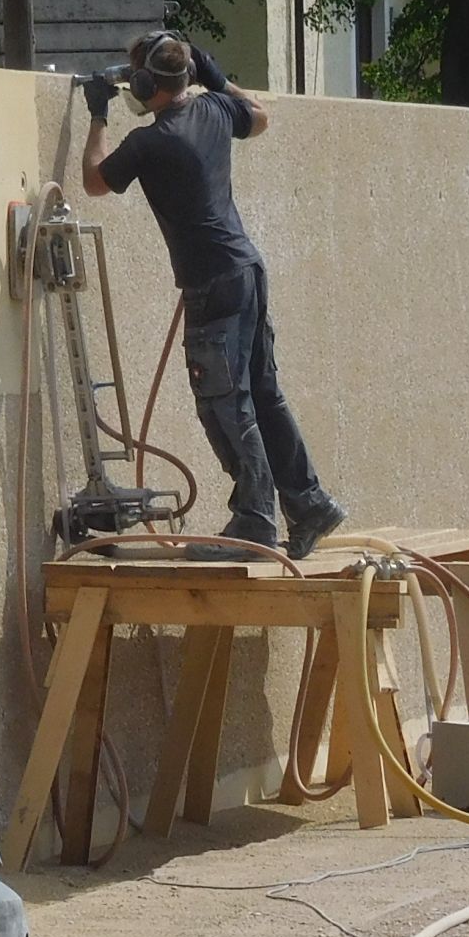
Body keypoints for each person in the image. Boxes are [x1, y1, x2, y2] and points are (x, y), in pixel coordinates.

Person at [81, 34, 345, 560]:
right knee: (263, 394)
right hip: (246, 272)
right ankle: (309, 503)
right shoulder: (216, 109)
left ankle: (255, 521)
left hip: (212, 286)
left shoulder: (149, 143)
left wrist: (97, 116)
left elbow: (93, 181)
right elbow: (261, 116)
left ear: (144, 84)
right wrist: (217, 77)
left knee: (225, 402)